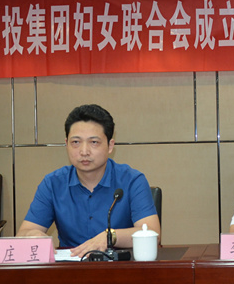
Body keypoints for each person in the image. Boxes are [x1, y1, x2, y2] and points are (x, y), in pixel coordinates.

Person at [17, 104, 160, 257]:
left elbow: (152, 233)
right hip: (69, 267)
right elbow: (23, 233)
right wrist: (32, 235)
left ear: (110, 146)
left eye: (94, 142)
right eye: (76, 142)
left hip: (118, 266)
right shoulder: (53, 183)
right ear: (66, 144)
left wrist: (110, 236)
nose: (84, 151)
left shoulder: (132, 181)